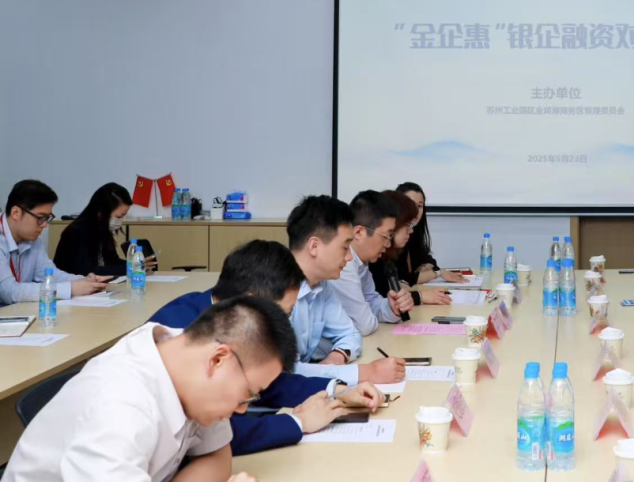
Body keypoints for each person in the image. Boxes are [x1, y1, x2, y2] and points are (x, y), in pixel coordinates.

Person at [4, 296, 293, 482]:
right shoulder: (119, 408)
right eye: (247, 394)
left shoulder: (185, 355)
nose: (242, 409)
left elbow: (217, 458)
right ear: (218, 359)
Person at [149, 240, 384, 455]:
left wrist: (338, 390)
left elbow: (271, 384)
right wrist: (298, 422)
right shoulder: (183, 336)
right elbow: (221, 431)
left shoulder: (233, 323)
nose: (285, 323)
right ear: (252, 302)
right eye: (284, 313)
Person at [286, 195, 405, 385]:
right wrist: (365, 372)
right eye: (345, 247)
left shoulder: (322, 285)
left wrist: (338, 356)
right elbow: (285, 372)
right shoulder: (276, 290)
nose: (349, 257)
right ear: (314, 246)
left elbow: (351, 334)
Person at [0, 179, 109, 304]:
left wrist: (84, 281)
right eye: (40, 217)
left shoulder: (32, 238)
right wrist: (71, 288)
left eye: (47, 218)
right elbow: (9, 291)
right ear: (16, 213)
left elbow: (49, 275)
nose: (45, 225)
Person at [330, 190, 415, 333]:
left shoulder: (361, 261)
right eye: (386, 236)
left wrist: (392, 308)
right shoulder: (343, 264)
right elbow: (364, 325)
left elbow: (372, 302)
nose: (388, 244)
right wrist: (372, 316)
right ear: (359, 233)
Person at [54, 182, 157, 277]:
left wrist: (136, 264)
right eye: (119, 216)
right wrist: (130, 268)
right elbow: (86, 271)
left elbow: (112, 261)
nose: (120, 221)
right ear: (102, 211)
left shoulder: (103, 230)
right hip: (72, 287)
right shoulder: (77, 232)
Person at [370, 190, 452, 306]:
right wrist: (419, 296)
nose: (411, 230)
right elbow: (383, 295)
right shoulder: (371, 257)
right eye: (408, 225)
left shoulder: (390, 251)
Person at [393, 182, 466, 284]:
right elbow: (402, 278)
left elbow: (429, 260)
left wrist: (424, 266)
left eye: (419, 206)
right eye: (411, 205)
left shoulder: (413, 233)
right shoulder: (391, 237)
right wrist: (437, 273)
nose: (416, 211)